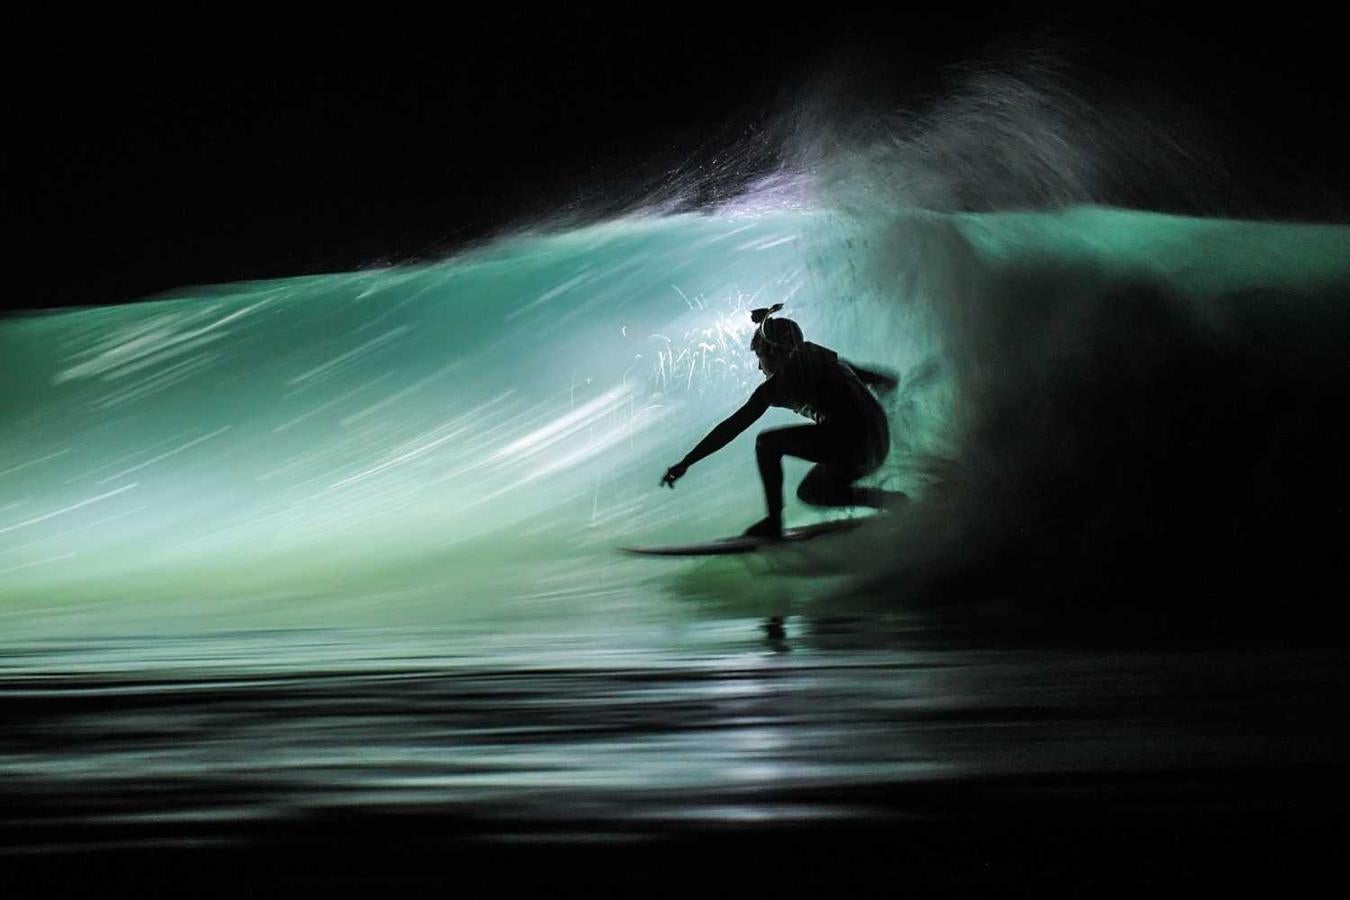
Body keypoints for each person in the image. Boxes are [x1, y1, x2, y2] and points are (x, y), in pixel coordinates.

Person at [661, 305, 905, 538]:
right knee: (813, 492)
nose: (759, 366)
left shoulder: (778, 385)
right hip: (878, 442)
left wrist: (686, 462)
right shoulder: (831, 361)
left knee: (767, 443)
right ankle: (890, 501)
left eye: (760, 356)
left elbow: (731, 427)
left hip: (854, 444)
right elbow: (885, 381)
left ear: (775, 351)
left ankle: (774, 523)